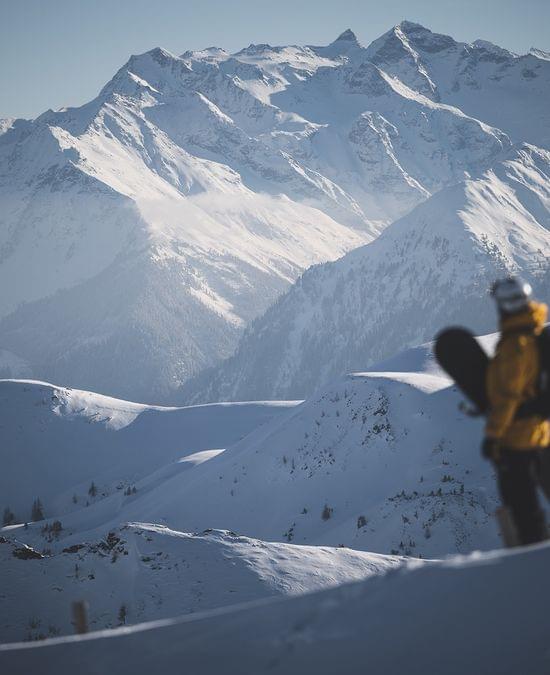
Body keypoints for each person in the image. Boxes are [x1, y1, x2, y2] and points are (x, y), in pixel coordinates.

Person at [482, 277, 550, 545]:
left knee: (521, 500)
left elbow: (507, 398)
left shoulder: (516, 346)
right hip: (540, 433)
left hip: (518, 437)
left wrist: (493, 436)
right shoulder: (536, 335)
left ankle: (532, 552)